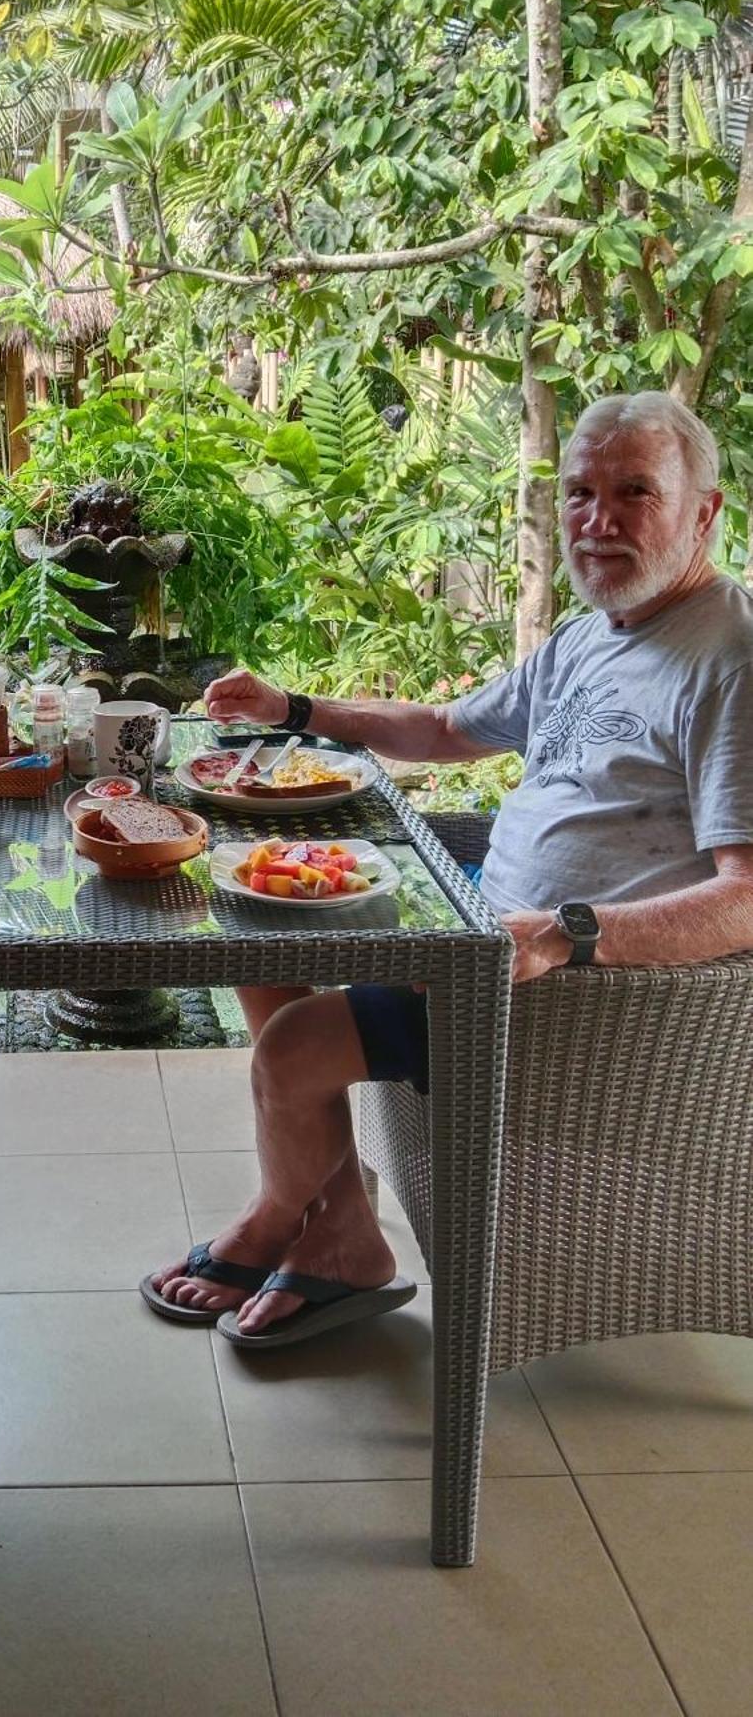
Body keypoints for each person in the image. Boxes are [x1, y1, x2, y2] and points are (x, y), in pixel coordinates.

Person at [147, 390, 753, 1349]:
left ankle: (281, 1218)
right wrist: (294, 706)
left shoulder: (732, 656)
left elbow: (747, 899)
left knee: (292, 1048)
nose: (597, 522)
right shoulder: (596, 633)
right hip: (480, 937)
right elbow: (443, 731)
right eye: (580, 493)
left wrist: (566, 934)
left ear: (705, 512)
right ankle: (343, 1232)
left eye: (634, 492)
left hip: (571, 995)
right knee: (256, 916)